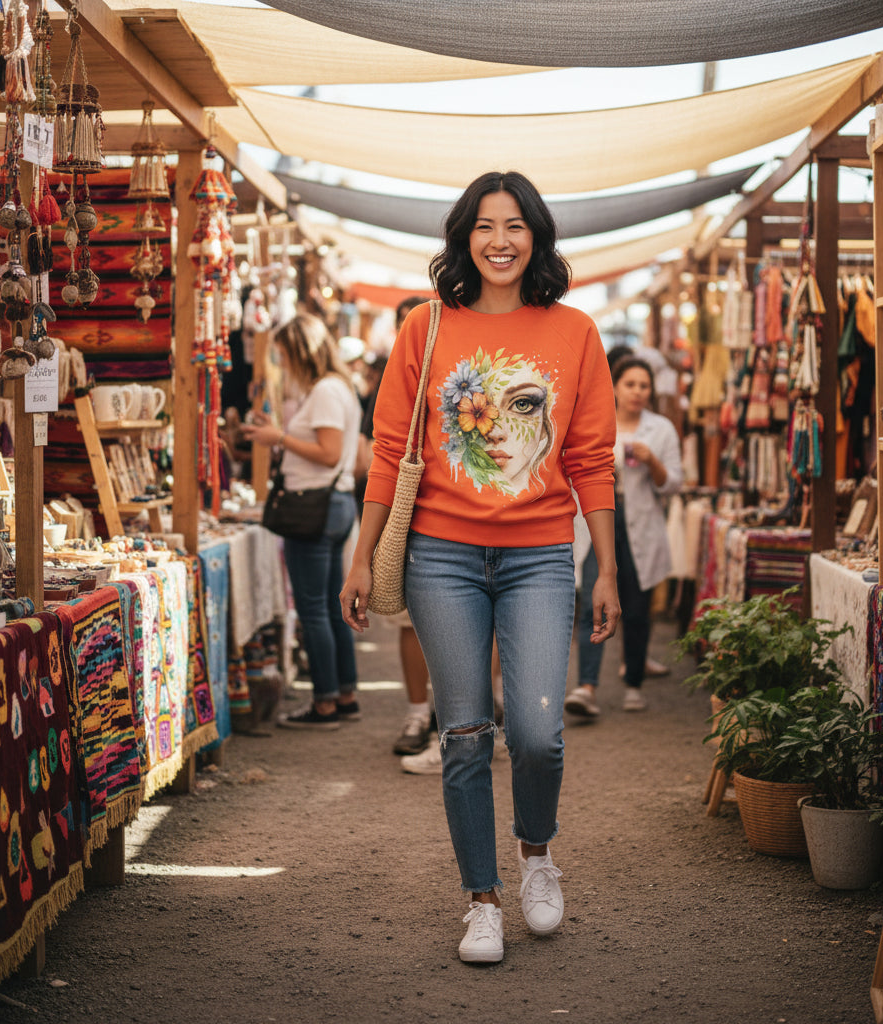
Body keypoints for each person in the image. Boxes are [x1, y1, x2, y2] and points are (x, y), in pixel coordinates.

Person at [341, 170, 620, 964]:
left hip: (538, 553)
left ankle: (536, 854)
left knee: (535, 732)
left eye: (516, 225)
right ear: (464, 236)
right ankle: (482, 900)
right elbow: (391, 453)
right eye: (485, 225)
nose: (500, 240)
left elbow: (592, 456)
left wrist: (603, 565)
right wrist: (361, 559)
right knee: (464, 733)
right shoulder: (425, 328)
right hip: (440, 556)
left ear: (538, 236)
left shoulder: (575, 332)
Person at [243, 312, 362, 729]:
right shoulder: (335, 388)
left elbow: (328, 452)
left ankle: (326, 702)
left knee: (316, 610)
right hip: (331, 504)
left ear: (300, 352)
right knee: (331, 608)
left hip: (316, 506)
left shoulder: (327, 391)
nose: (282, 365)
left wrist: (279, 438)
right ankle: (343, 695)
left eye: (284, 355)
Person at [565, 355, 682, 718]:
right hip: (597, 525)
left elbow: (673, 485)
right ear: (615, 386)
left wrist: (652, 462)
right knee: (591, 606)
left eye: (644, 386)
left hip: (640, 528)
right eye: (630, 384)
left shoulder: (661, 429)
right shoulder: (595, 422)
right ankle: (587, 687)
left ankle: (633, 683)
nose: (637, 392)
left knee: (635, 607)